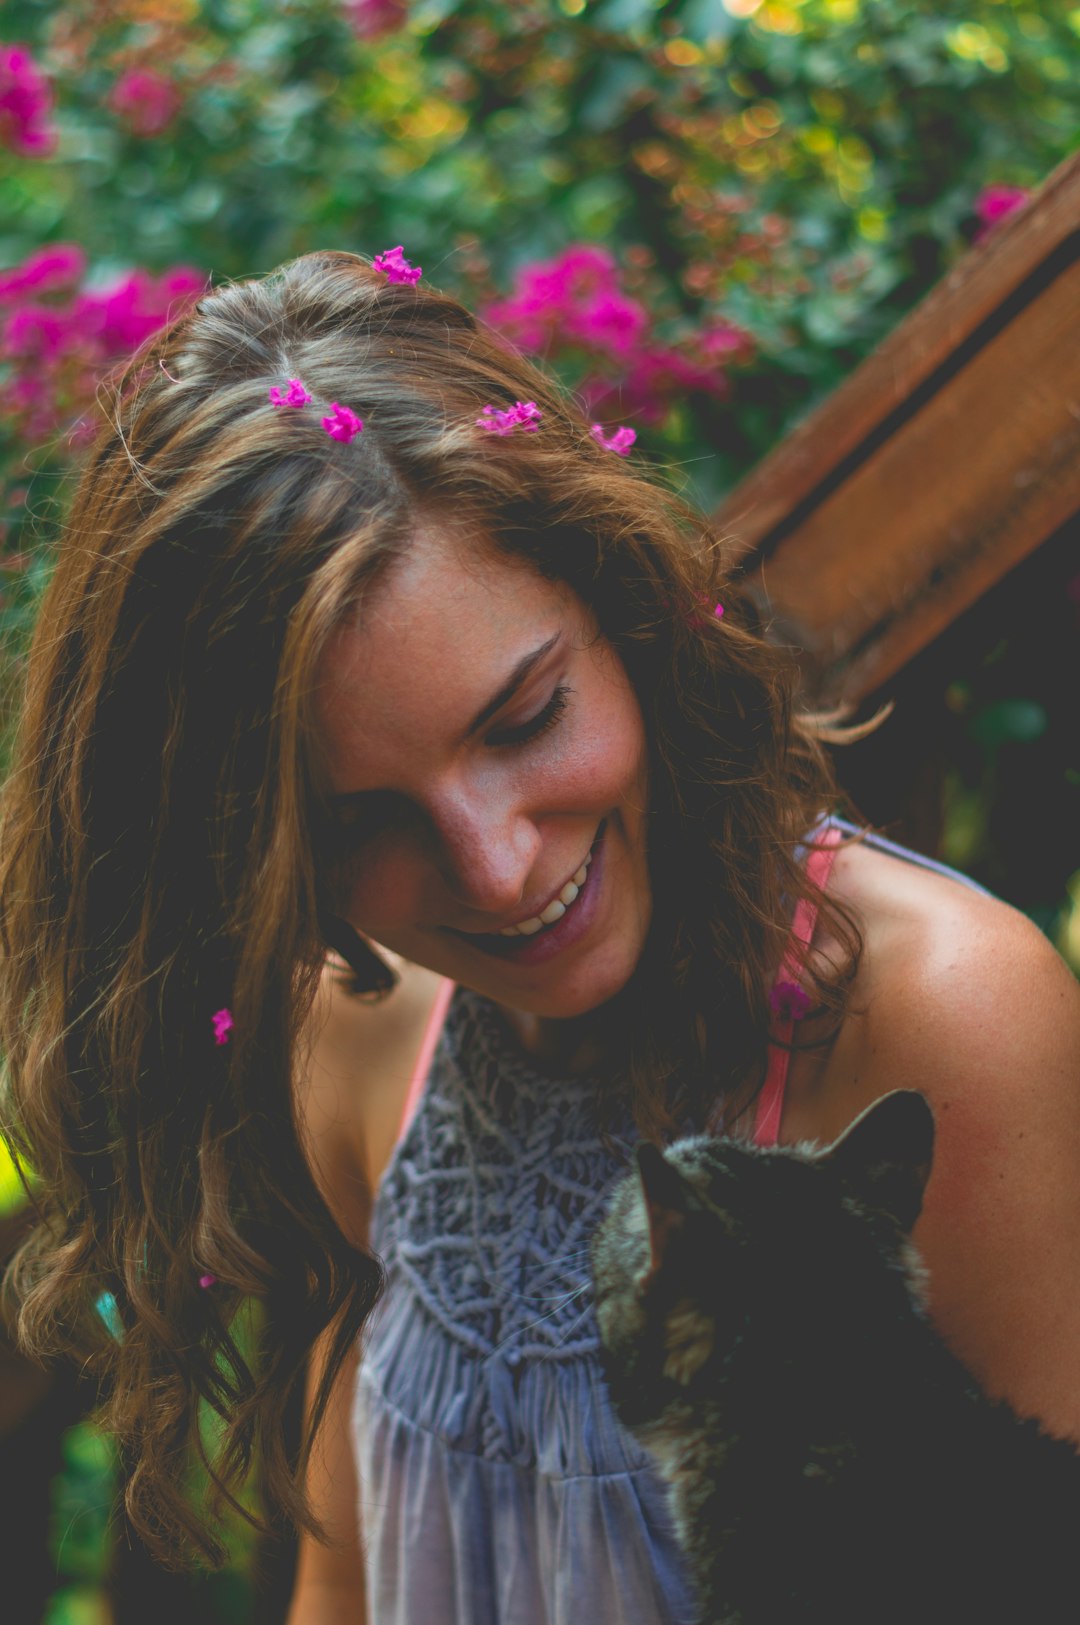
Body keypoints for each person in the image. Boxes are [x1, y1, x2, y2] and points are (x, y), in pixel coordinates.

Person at [1, 250, 1077, 1622]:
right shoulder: (364, 1018)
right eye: (361, 823)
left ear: (620, 607)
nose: (498, 870)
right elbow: (352, 1575)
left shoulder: (938, 1023)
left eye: (522, 720)